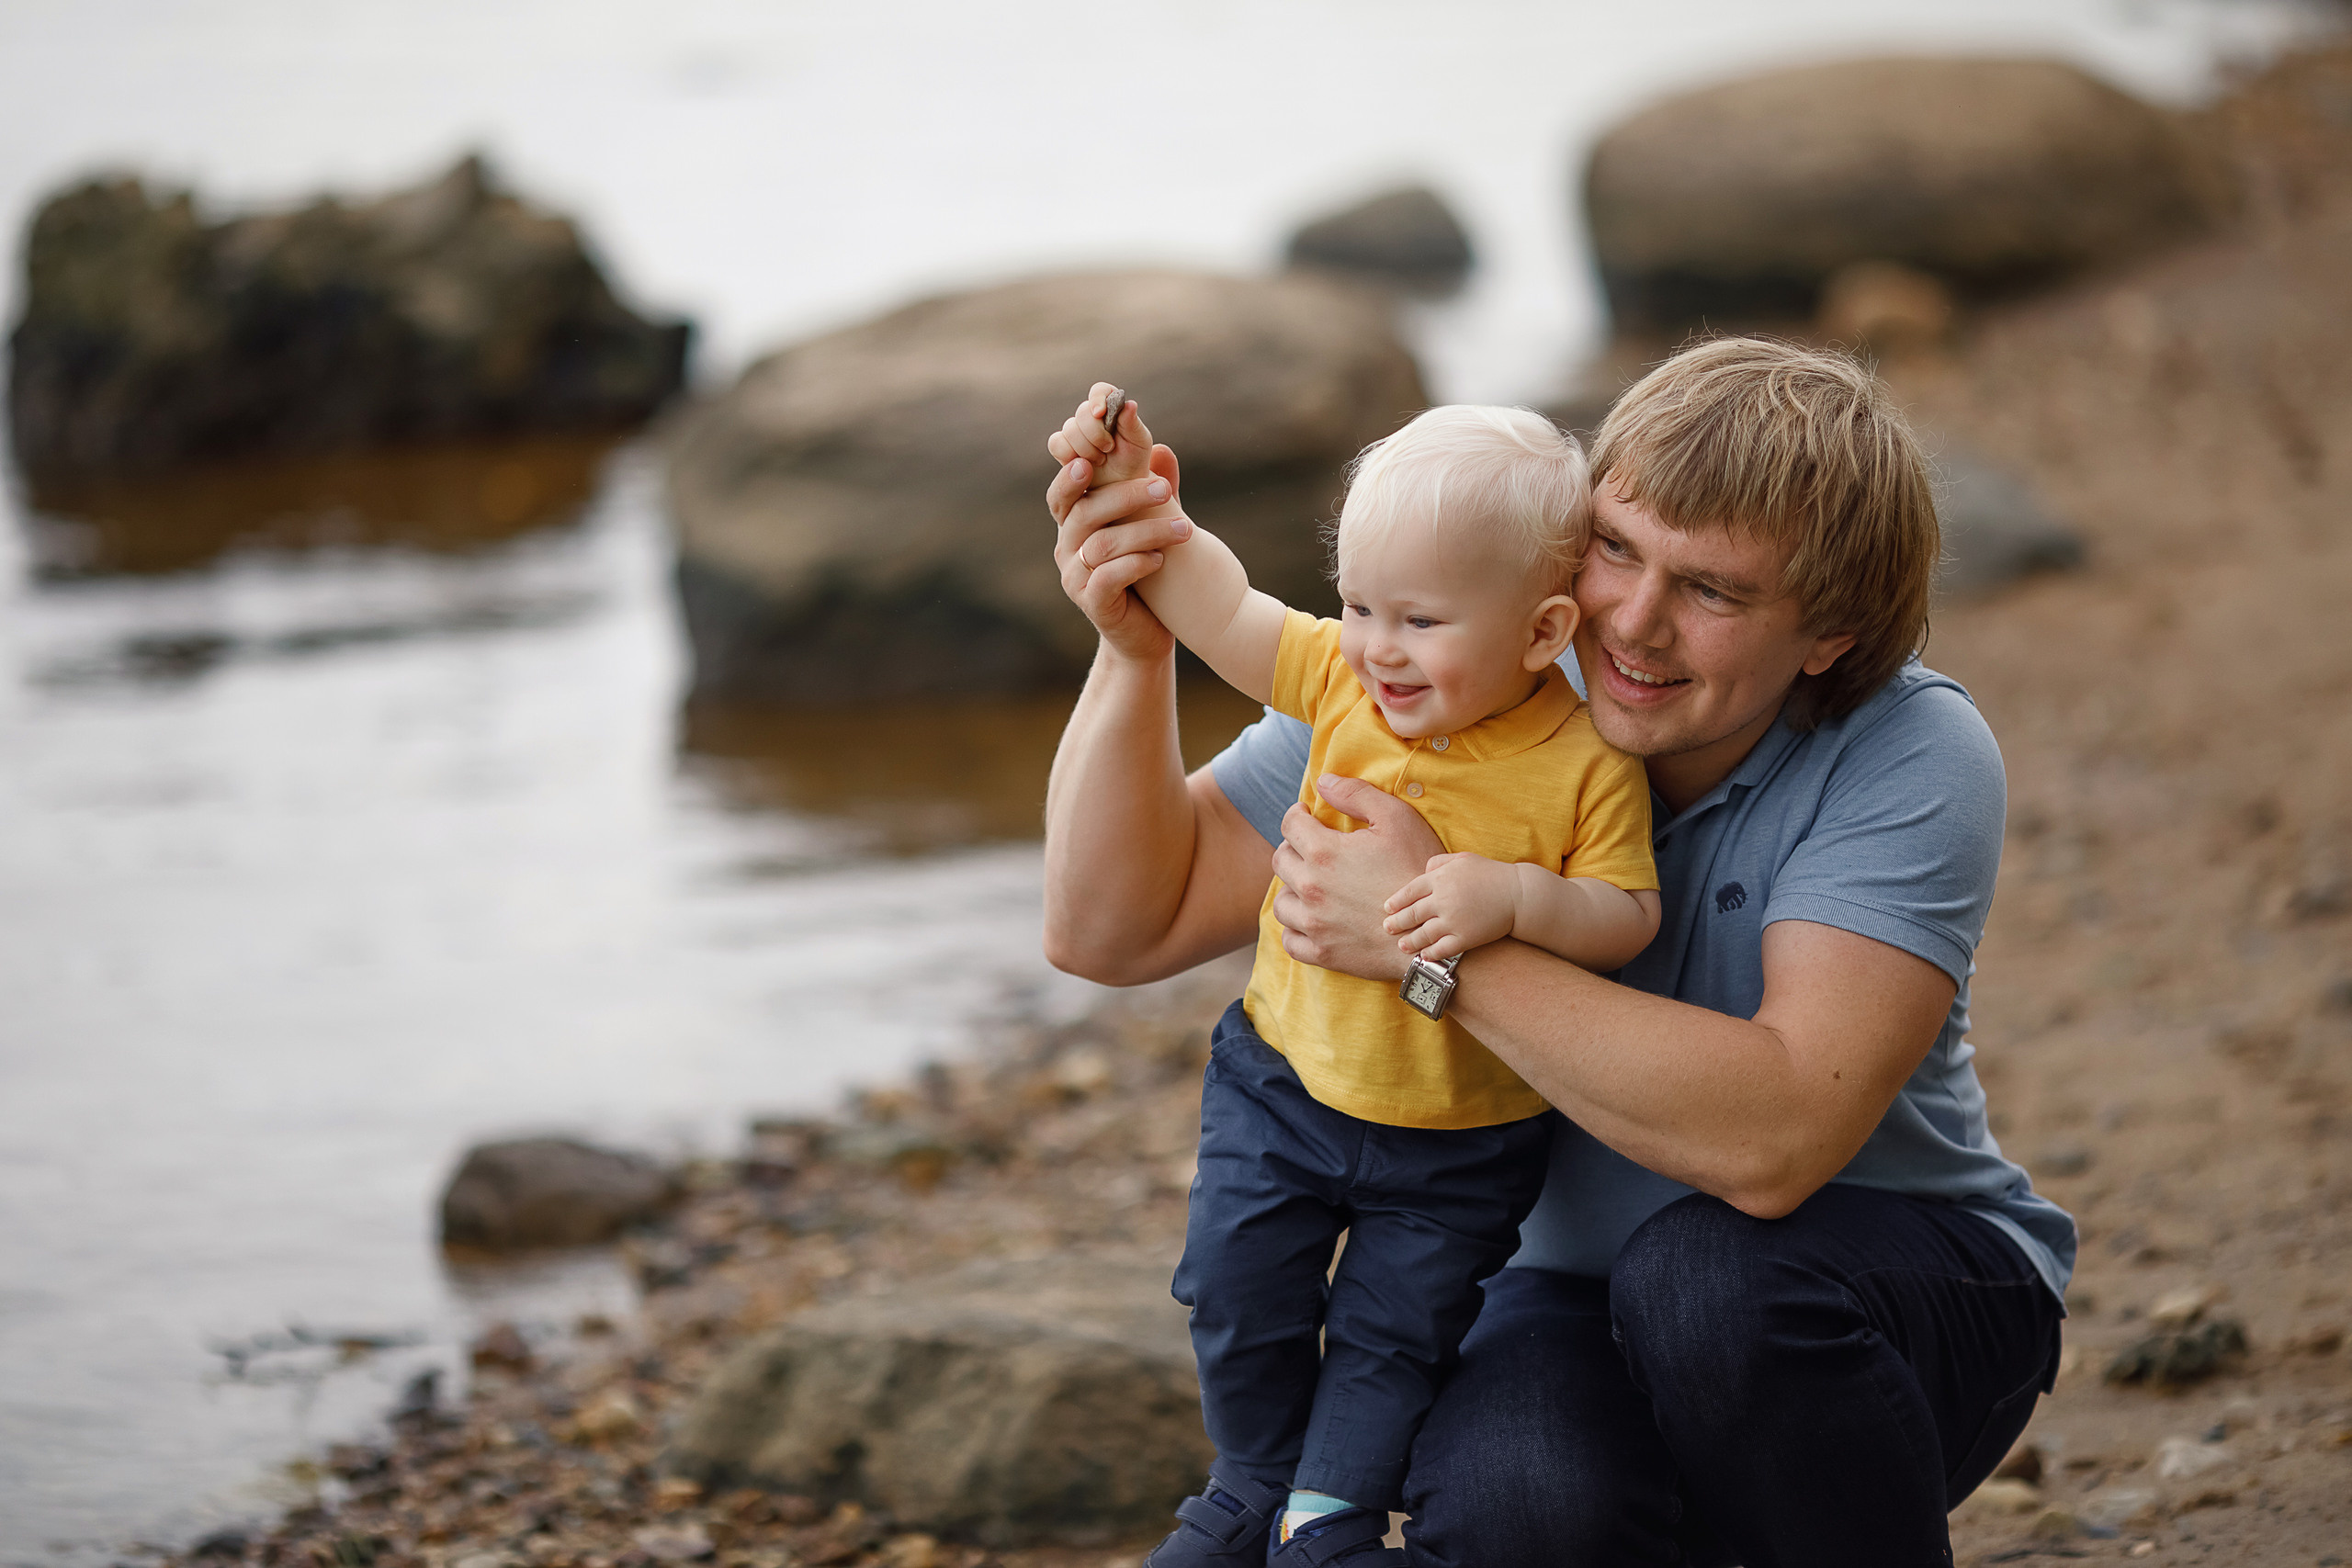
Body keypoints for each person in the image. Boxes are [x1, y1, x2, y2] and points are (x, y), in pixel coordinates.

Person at [1042, 337, 2075, 1566]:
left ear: (1829, 636)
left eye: (1713, 590)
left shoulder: (1908, 749)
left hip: (1887, 1287)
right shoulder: (1468, 673)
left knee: (1707, 1282)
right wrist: (1136, 646)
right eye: (1618, 549)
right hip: (1564, 1293)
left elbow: (1778, 1138)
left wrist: (1427, 942)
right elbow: (1113, 926)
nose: (1631, 623)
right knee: (1517, 1495)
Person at [1055, 391, 1660, 1564]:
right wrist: (1136, 505)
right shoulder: (1341, 682)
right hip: (1283, 1085)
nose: (1379, 644)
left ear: (1541, 632)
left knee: (1394, 1335)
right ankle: (1249, 1484)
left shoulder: (1585, 762)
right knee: (1235, 1288)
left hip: (1460, 1139)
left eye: (1421, 619)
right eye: (1360, 605)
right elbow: (1222, 605)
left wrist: (1512, 902)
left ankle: (1325, 1515)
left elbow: (1626, 915)